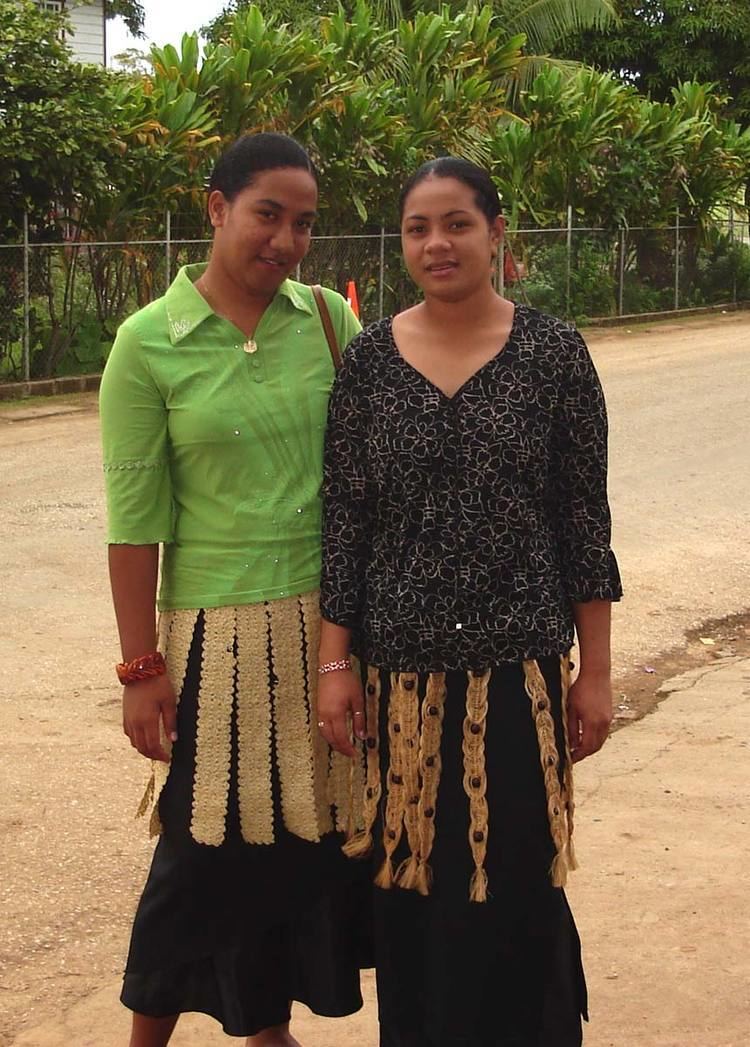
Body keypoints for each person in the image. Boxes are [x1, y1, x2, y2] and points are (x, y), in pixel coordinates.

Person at [317, 157, 623, 1047]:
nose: (437, 243)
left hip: (517, 682)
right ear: (401, 241)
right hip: (400, 690)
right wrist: (335, 663)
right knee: (417, 890)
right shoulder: (371, 361)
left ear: (496, 232)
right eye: (418, 228)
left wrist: (593, 673)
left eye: (456, 223)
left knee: (520, 881)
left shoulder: (555, 353)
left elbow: (583, 525)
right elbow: (347, 522)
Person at [99, 133, 366, 1047]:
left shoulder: (331, 320)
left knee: (304, 847)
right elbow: (135, 524)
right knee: (199, 853)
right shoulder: (146, 345)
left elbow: (371, 485)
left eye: (303, 223)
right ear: (215, 208)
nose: (287, 240)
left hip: (329, 632)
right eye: (267, 214)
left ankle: (264, 1028)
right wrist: (141, 665)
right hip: (217, 641)